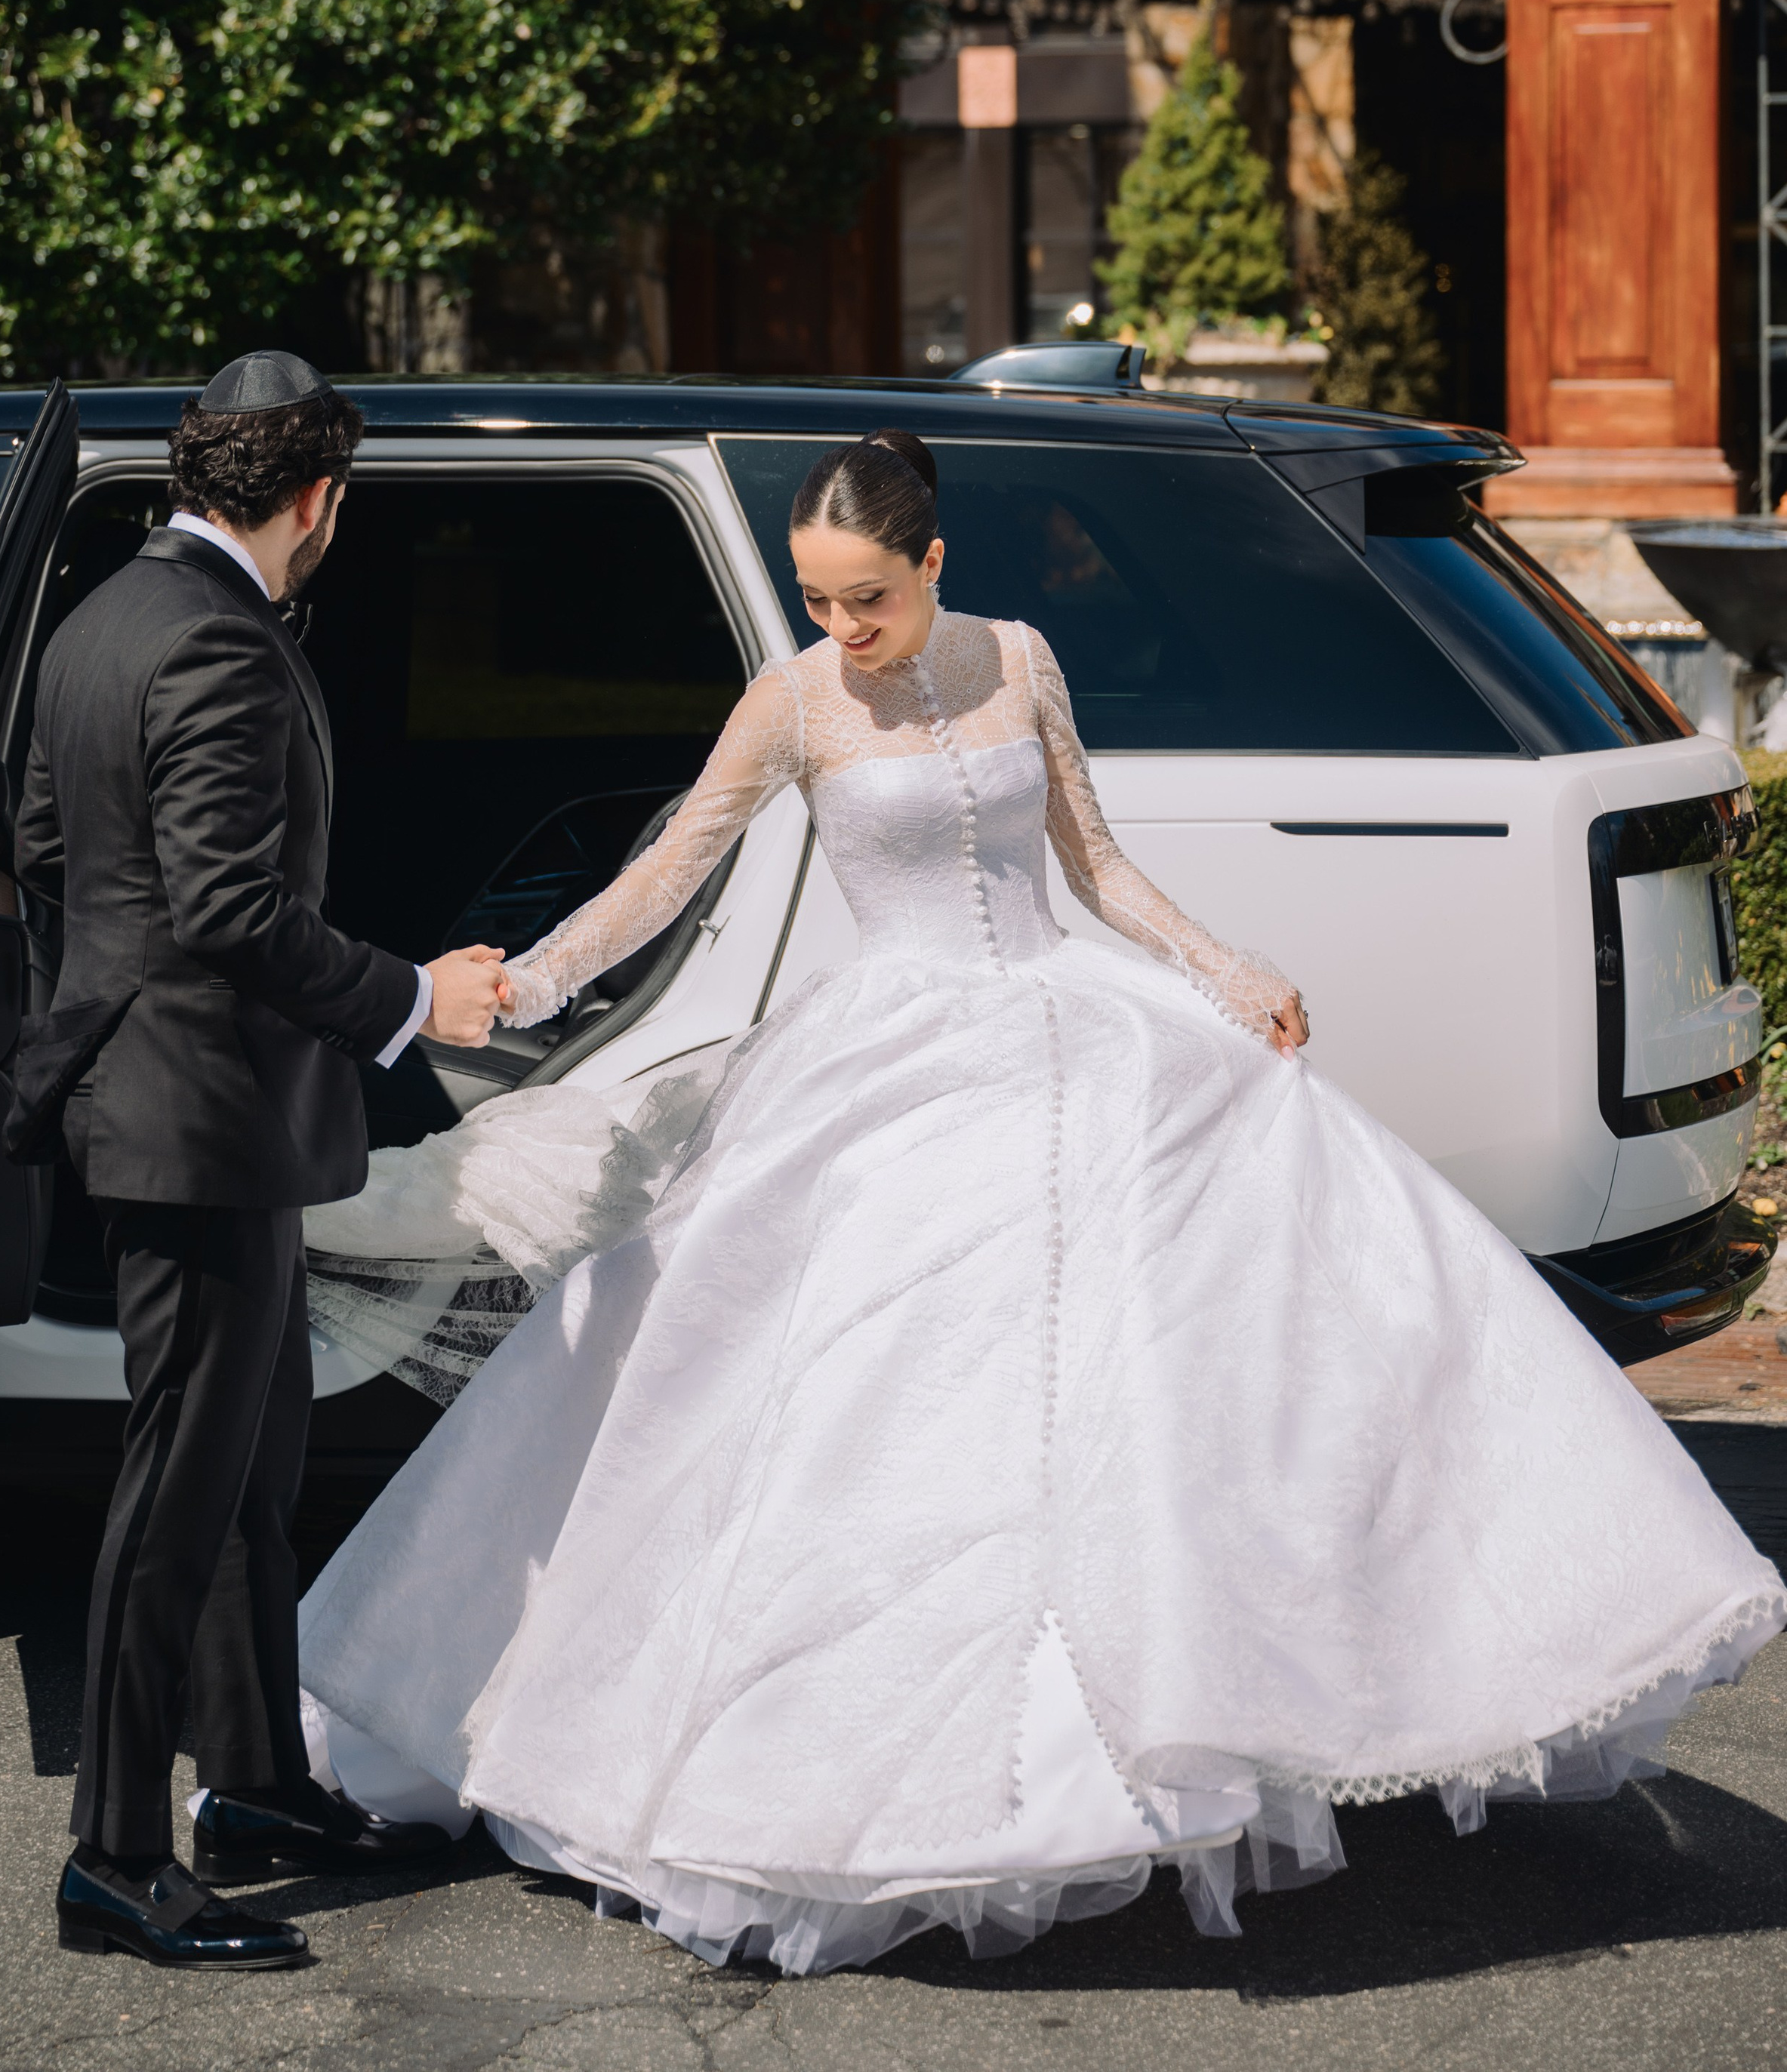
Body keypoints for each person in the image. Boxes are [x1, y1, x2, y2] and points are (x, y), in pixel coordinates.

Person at [290, 427, 1785, 1975]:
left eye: (864, 597)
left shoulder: (1021, 658)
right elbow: (664, 873)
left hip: (1076, 1031)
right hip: (890, 1064)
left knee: (1179, 1367)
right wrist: (518, 985)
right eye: (815, 599)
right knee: (870, 1403)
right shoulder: (792, 702)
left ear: (931, 565)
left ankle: (1196, 1718)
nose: (839, 630)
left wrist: (1224, 967)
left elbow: (1095, 867)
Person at [15, 349, 512, 1972]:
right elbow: (228, 910)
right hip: (204, 1123)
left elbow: (45, 851)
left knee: (249, 1473)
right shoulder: (221, 647)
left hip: (166, 1107)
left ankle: (259, 1785)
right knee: (180, 1487)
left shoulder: (99, 621)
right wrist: (410, 998)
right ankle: (116, 1858)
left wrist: (92, 1026)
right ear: (316, 500)